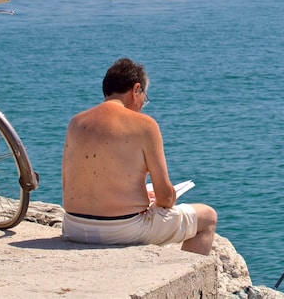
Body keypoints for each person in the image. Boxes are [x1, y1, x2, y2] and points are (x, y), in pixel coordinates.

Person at [61, 57, 217, 255]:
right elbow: (166, 198)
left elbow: (69, 184)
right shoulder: (144, 125)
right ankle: (190, 284)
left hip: (73, 226)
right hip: (122, 230)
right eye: (145, 96)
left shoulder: (76, 122)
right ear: (136, 90)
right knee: (208, 217)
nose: (143, 103)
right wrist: (159, 199)